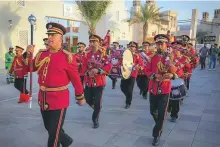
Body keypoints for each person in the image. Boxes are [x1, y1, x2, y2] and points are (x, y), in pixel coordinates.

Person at [25, 22, 86, 147]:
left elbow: (75, 79)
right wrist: (28, 54)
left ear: (61, 38)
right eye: (49, 35)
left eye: (53, 35)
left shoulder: (67, 57)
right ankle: (67, 141)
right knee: (49, 127)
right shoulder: (42, 53)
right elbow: (31, 68)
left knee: (53, 135)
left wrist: (80, 96)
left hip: (59, 100)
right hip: (43, 98)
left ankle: (62, 141)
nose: (50, 37)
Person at [144, 34, 178, 146]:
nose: (159, 45)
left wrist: (172, 75)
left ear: (166, 44)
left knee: (162, 113)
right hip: (153, 88)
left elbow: (179, 71)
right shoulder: (152, 57)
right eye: (158, 43)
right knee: (152, 111)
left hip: (164, 89)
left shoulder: (172, 56)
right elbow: (146, 70)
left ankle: (156, 135)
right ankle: (160, 122)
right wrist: (153, 76)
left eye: (162, 43)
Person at [83, 34, 112, 129]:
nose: (92, 43)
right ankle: (97, 108)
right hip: (88, 82)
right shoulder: (86, 54)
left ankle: (95, 119)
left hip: (99, 83)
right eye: (90, 41)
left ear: (99, 42)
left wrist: (98, 70)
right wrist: (87, 73)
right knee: (87, 99)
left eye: (94, 41)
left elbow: (108, 66)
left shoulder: (103, 54)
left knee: (98, 102)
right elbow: (83, 67)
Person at [120, 41, 144, 109]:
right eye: (130, 46)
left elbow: (141, 65)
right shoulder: (125, 54)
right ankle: (127, 96)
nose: (131, 47)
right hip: (125, 73)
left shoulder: (137, 56)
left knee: (129, 89)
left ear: (135, 48)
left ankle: (128, 103)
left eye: (133, 46)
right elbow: (120, 62)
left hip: (133, 75)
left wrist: (139, 67)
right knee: (122, 88)